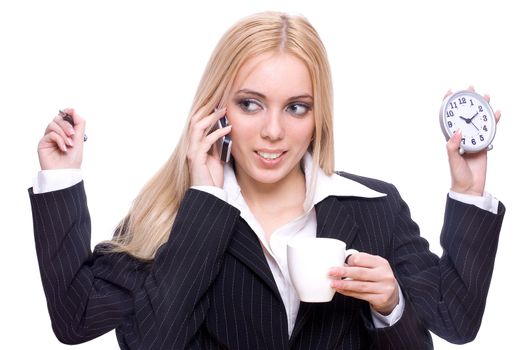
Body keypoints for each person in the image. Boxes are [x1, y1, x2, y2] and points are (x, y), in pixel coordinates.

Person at [29, 11, 505, 350]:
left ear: (319, 116)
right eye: (251, 104)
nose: (273, 131)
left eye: (296, 107)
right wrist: (63, 176)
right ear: (217, 108)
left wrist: (392, 306)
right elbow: (76, 321)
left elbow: (457, 322)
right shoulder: (173, 213)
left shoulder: (374, 207)